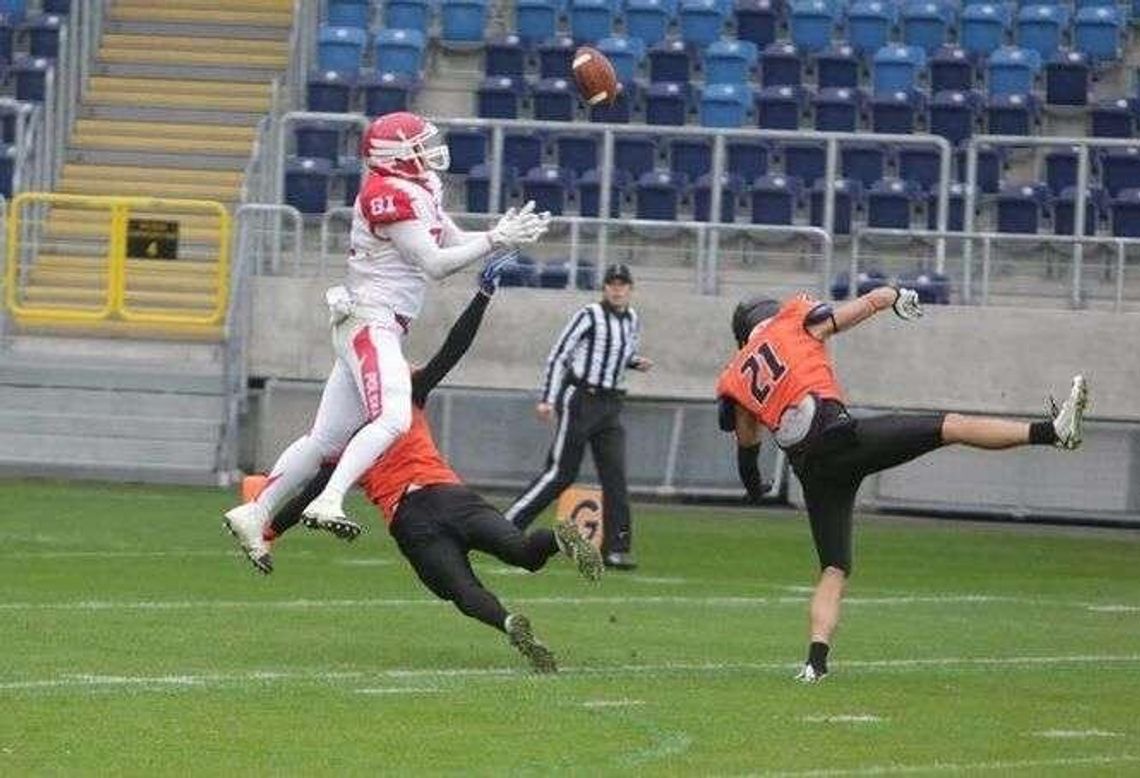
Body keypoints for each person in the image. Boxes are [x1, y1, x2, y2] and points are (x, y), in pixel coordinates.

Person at [234, 259, 604, 673]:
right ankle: (558, 539)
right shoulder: (402, 389)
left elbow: (311, 494)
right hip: (450, 495)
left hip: (412, 520)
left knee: (463, 591)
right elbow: (451, 352)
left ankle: (509, 622)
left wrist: (269, 531)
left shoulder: (341, 432)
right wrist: (482, 295)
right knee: (522, 552)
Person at [715, 287, 1089, 683]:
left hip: (812, 470)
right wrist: (891, 295)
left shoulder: (735, 373)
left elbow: (747, 446)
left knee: (834, 567)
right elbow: (851, 312)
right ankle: (1051, 432)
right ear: (772, 313)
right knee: (950, 426)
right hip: (842, 439)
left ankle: (815, 664)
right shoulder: (793, 320)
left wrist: (756, 488)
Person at [223, 111, 551, 548]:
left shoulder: (422, 187)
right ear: (394, 156)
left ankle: (256, 511)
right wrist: (493, 238)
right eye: (418, 145)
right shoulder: (385, 194)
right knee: (393, 418)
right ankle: (329, 499)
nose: (429, 152)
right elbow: (435, 265)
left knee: (325, 438)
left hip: (376, 323)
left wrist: (500, 236)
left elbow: (451, 243)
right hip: (371, 320)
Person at [504, 262, 652, 570]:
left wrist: (635, 362)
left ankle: (616, 549)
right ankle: (507, 526)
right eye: (612, 283)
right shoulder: (589, 315)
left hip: (611, 404)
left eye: (622, 284)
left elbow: (618, 355)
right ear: (604, 287)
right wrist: (548, 398)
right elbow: (560, 355)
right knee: (561, 473)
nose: (617, 288)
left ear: (630, 288)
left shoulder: (632, 319)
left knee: (615, 478)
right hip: (582, 399)